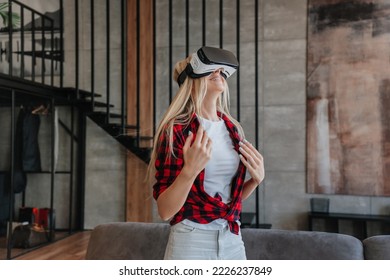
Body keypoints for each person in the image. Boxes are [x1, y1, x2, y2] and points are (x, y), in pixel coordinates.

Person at [147, 46, 265, 260]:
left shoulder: (233, 129)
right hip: (191, 240)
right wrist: (189, 171)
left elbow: (228, 197)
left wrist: (254, 181)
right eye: (210, 69)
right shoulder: (177, 130)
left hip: (232, 238)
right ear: (192, 79)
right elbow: (165, 211)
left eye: (220, 71)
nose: (218, 73)